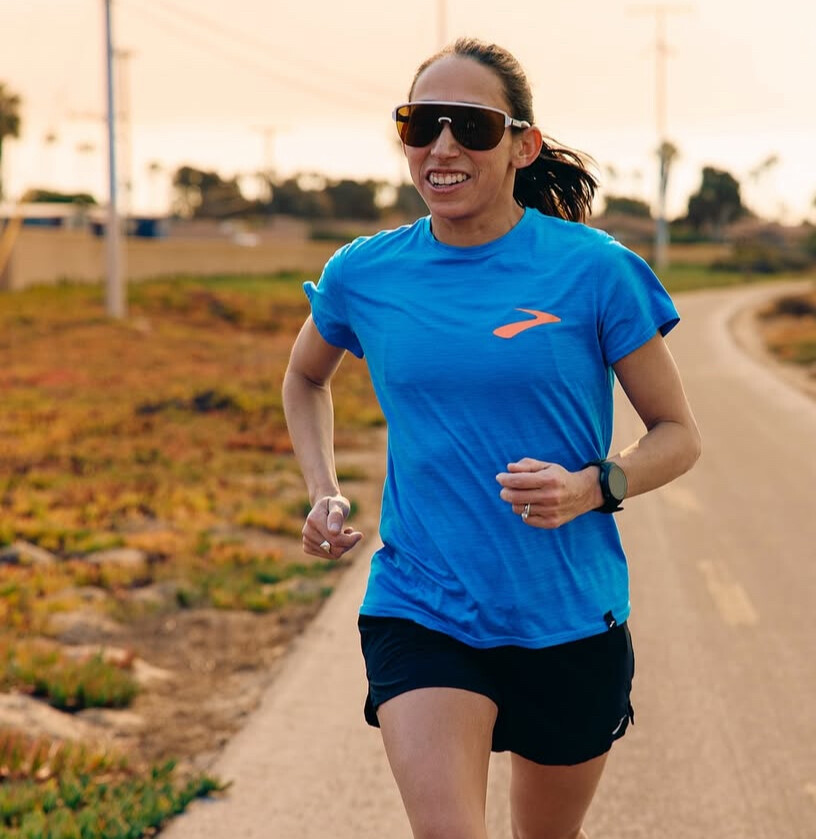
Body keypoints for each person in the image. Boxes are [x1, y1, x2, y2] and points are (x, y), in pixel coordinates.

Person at [282, 37, 701, 839]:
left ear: (522, 145)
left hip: (568, 614)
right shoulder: (365, 273)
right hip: (422, 606)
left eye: (470, 127)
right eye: (421, 124)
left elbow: (678, 434)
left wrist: (592, 486)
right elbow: (305, 377)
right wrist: (323, 489)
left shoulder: (595, 270)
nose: (442, 147)